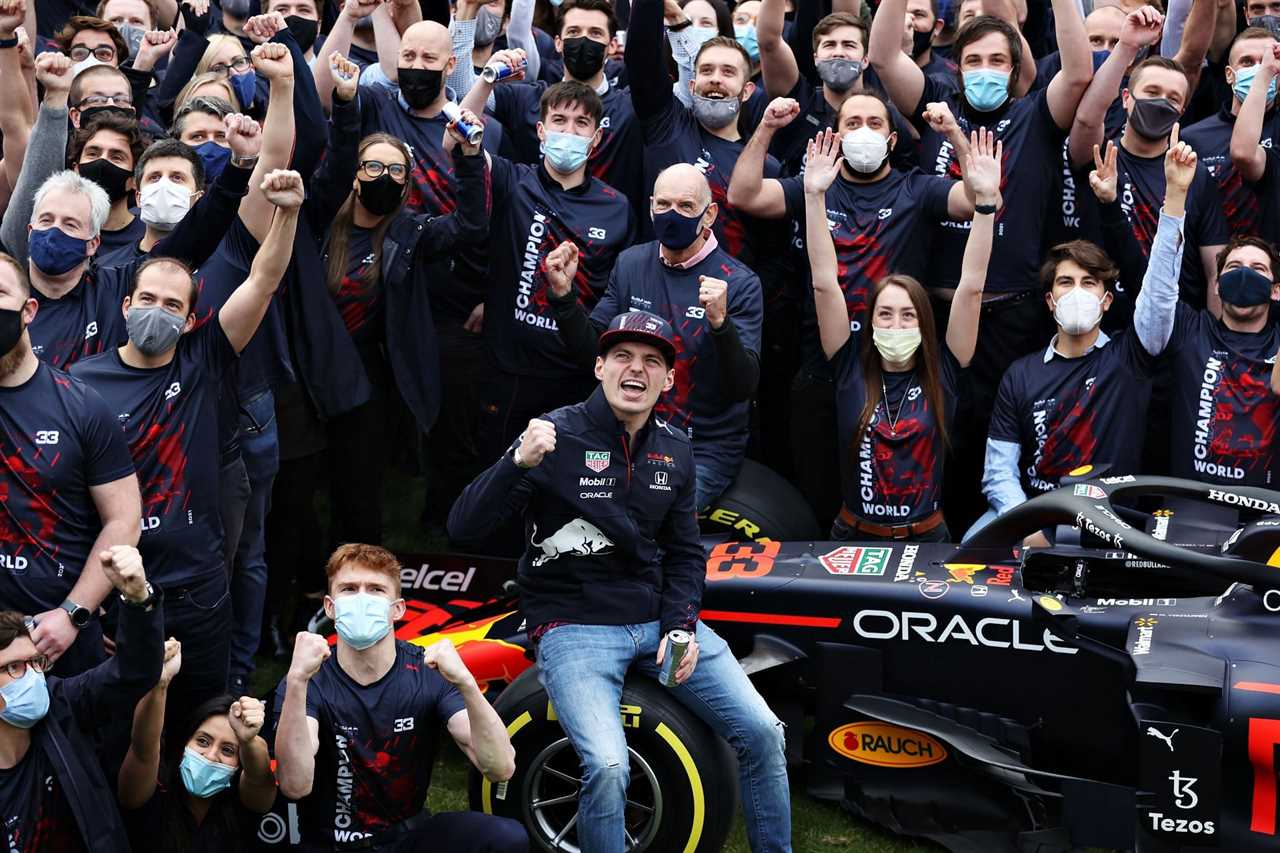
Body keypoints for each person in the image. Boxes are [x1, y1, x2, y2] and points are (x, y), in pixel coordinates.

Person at [448, 311, 792, 853]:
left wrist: (680, 627)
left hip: (658, 622)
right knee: (609, 767)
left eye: (652, 361)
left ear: (668, 380)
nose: (637, 370)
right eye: (624, 357)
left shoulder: (675, 449)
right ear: (600, 366)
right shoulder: (551, 435)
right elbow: (463, 526)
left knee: (765, 734)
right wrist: (515, 462)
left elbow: (684, 555)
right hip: (573, 626)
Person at [69, 169, 303, 714]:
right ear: (125, 308)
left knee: (200, 712)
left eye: (172, 305)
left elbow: (263, 279)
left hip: (198, 587)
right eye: (147, 298)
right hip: (116, 587)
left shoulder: (205, 357)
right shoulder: (80, 384)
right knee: (117, 720)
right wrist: (93, 604)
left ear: (191, 317)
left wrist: (287, 212)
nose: (157, 310)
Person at [728, 89, 992, 522]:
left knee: (905, 489)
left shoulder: (917, 188)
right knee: (822, 494)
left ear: (891, 141)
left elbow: (976, 197)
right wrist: (767, 127)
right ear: (835, 135)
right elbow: (744, 194)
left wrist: (955, 136)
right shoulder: (813, 187)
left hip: (897, 369)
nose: (863, 132)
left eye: (874, 124)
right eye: (852, 124)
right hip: (823, 363)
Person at [971, 132, 1200, 540]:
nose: (1077, 291)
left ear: (1108, 300)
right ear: (1049, 299)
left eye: (1089, 283)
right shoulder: (1020, 374)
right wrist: (1027, 524)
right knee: (972, 544)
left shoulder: (1132, 357)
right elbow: (998, 473)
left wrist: (1176, 197)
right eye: (1066, 282)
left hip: (1106, 523)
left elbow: (1160, 291)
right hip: (1032, 517)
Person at [806, 126, 998, 540]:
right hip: (853, 534)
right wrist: (814, 195)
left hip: (927, 537)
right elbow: (824, 280)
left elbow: (972, 286)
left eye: (908, 316)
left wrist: (985, 205)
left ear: (925, 325)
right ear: (870, 323)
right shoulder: (848, 364)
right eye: (886, 315)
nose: (895, 324)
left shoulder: (945, 368)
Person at [273, 543, 525, 852]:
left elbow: (501, 767)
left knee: (506, 837)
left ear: (398, 609)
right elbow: (294, 784)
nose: (362, 599)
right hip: (327, 842)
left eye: (376, 589)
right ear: (330, 607)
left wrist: (467, 683)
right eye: (349, 589)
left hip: (405, 838)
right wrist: (297, 680)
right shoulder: (308, 676)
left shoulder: (427, 671)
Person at [550, 163, 761, 509]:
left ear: (708, 216)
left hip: (702, 447)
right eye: (663, 205)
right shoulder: (632, 263)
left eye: (685, 207)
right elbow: (592, 353)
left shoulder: (739, 283)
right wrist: (563, 297)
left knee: (647, 519)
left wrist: (721, 324)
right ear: (650, 207)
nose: (672, 215)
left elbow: (743, 385)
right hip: (627, 435)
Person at [466, 80, 636, 483]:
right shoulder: (513, 179)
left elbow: (616, 294)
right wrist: (488, 79)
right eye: (559, 121)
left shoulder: (617, 207)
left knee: (561, 484)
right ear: (541, 131)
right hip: (507, 369)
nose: (569, 132)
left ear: (595, 138)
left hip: (572, 374)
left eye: (581, 124)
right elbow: (462, 134)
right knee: (499, 474)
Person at [0, 252, 141, 675]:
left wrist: (74, 612)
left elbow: (125, 519)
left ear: (29, 311)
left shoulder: (80, 405)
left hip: (58, 635)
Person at [0, 544, 163, 853]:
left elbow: (134, 672)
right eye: (13, 667)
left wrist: (138, 599)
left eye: (36, 662)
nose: (34, 677)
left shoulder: (62, 704)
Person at [459, 0, 645, 215]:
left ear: (612, 45)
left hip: (606, 232)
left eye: (595, 33)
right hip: (528, 222)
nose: (583, 40)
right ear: (558, 43)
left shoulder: (631, 107)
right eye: (574, 31)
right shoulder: (527, 98)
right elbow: (462, 94)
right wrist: (467, 11)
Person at [118, 638, 276, 853]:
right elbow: (144, 748)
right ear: (185, 743)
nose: (211, 756)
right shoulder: (152, 792)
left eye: (228, 750)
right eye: (203, 740)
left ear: (241, 763)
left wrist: (248, 739)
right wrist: (160, 685)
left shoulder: (243, 804)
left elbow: (259, 777)